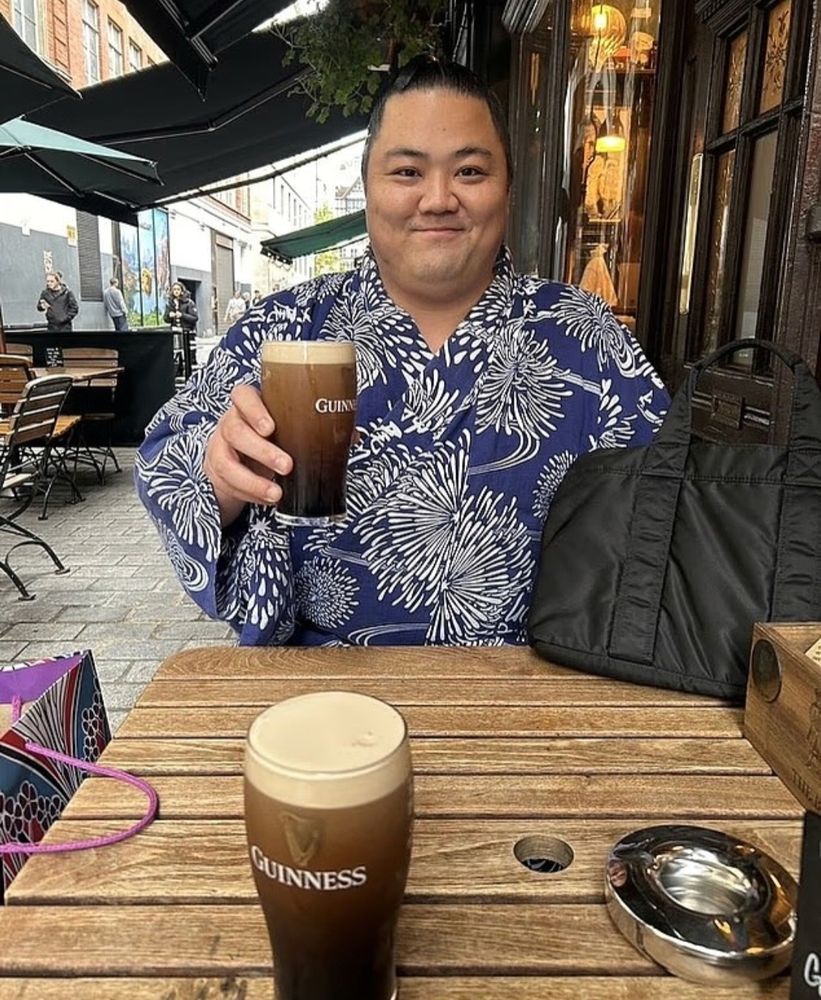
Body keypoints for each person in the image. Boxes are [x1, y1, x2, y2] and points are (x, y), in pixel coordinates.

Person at [136, 57, 669, 647]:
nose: (438, 198)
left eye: (469, 171)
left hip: (531, 699)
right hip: (320, 700)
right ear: (367, 189)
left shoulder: (583, 334)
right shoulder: (283, 329)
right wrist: (219, 481)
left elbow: (660, 512)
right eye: (408, 172)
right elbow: (165, 457)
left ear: (509, 189)